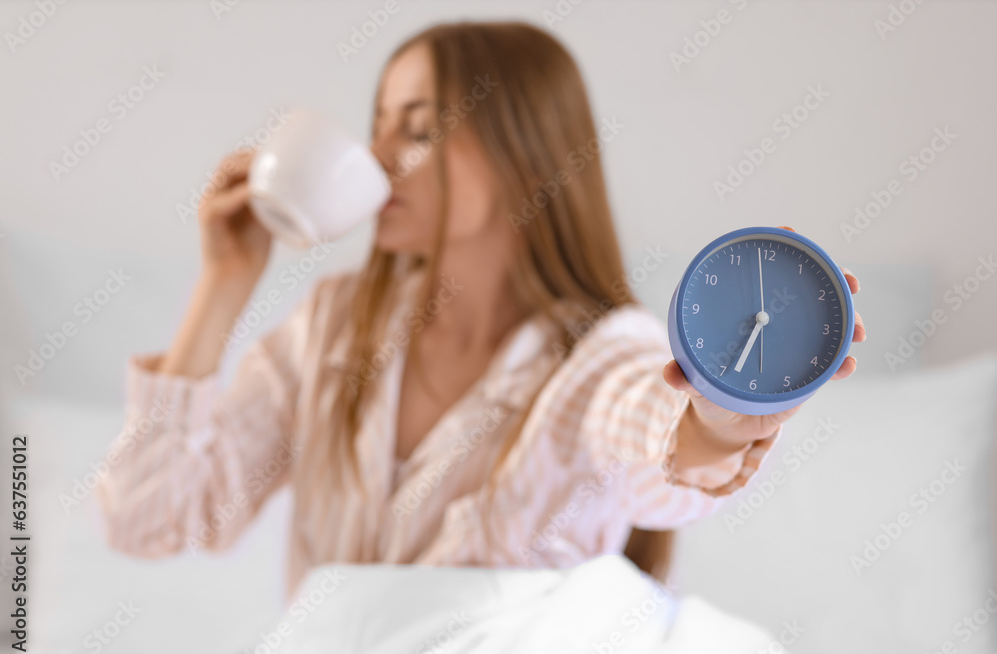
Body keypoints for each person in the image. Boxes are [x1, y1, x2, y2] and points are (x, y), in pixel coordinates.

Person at [95, 21, 866, 602]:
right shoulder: (332, 327)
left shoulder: (596, 357)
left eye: (419, 128)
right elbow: (148, 520)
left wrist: (725, 413)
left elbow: (658, 433)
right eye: (378, 124)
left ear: (519, 156)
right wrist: (223, 287)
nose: (377, 154)